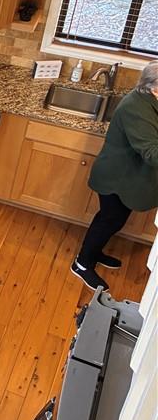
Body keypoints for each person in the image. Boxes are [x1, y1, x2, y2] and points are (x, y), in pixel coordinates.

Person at [72, 61, 158, 289]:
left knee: (114, 220)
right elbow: (152, 153)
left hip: (128, 177)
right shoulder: (137, 109)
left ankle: (94, 252)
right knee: (108, 220)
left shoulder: (148, 100)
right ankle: (82, 263)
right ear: (155, 88)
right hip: (117, 177)